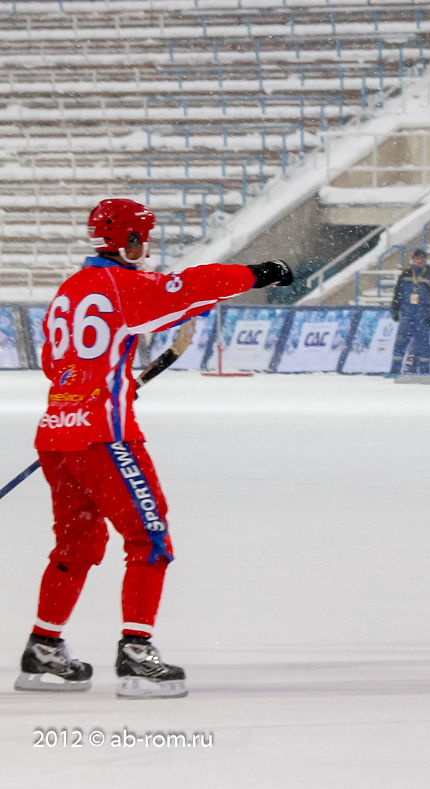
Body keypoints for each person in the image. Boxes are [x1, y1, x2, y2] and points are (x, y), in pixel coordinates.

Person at [16, 198, 292, 698]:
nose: (146, 247)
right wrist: (258, 274)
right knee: (150, 539)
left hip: (58, 432)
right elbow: (190, 288)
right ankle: (136, 655)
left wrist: (107, 388)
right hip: (104, 437)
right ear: (127, 240)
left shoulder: (70, 290)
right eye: (142, 237)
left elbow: (62, 365)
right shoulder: (121, 286)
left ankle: (44, 647)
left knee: (77, 545)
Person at [389, 249, 430, 375]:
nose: (420, 260)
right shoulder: (405, 274)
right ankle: (394, 371)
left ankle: (424, 372)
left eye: (422, 258)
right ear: (413, 259)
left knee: (423, 345)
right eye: (418, 258)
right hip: (407, 315)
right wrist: (395, 309)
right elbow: (398, 293)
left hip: (423, 316)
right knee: (400, 343)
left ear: (426, 260)